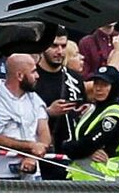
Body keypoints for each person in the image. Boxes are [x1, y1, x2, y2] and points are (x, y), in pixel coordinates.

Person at [0, 52, 51, 180]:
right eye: (33, 72)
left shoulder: (35, 99)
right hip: (2, 174)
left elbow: (44, 131)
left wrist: (32, 157)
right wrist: (30, 146)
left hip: (34, 173)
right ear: (20, 75)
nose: (37, 76)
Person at [61, 66, 119, 181]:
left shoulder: (114, 115)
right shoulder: (92, 110)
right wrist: (74, 147)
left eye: (104, 85)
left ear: (114, 87)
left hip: (100, 179)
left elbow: (87, 144)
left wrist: (68, 147)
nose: (98, 88)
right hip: (80, 177)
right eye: (96, 84)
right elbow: (77, 141)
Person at [33, 34, 84, 180]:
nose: (60, 51)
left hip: (70, 155)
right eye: (54, 46)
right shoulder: (32, 77)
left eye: (63, 46)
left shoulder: (74, 79)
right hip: (40, 154)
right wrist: (48, 112)